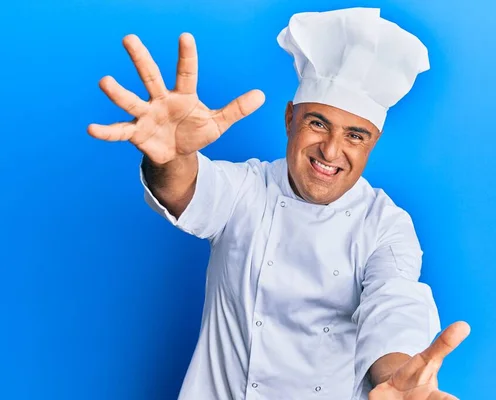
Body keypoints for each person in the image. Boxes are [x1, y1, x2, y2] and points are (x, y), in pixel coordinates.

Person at [88, 7, 470, 400]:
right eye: (318, 123)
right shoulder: (247, 189)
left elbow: (394, 301)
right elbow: (184, 189)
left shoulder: (385, 224)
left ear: (372, 143)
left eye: (355, 135)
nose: (331, 150)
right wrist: (169, 157)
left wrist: (397, 377)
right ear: (290, 118)